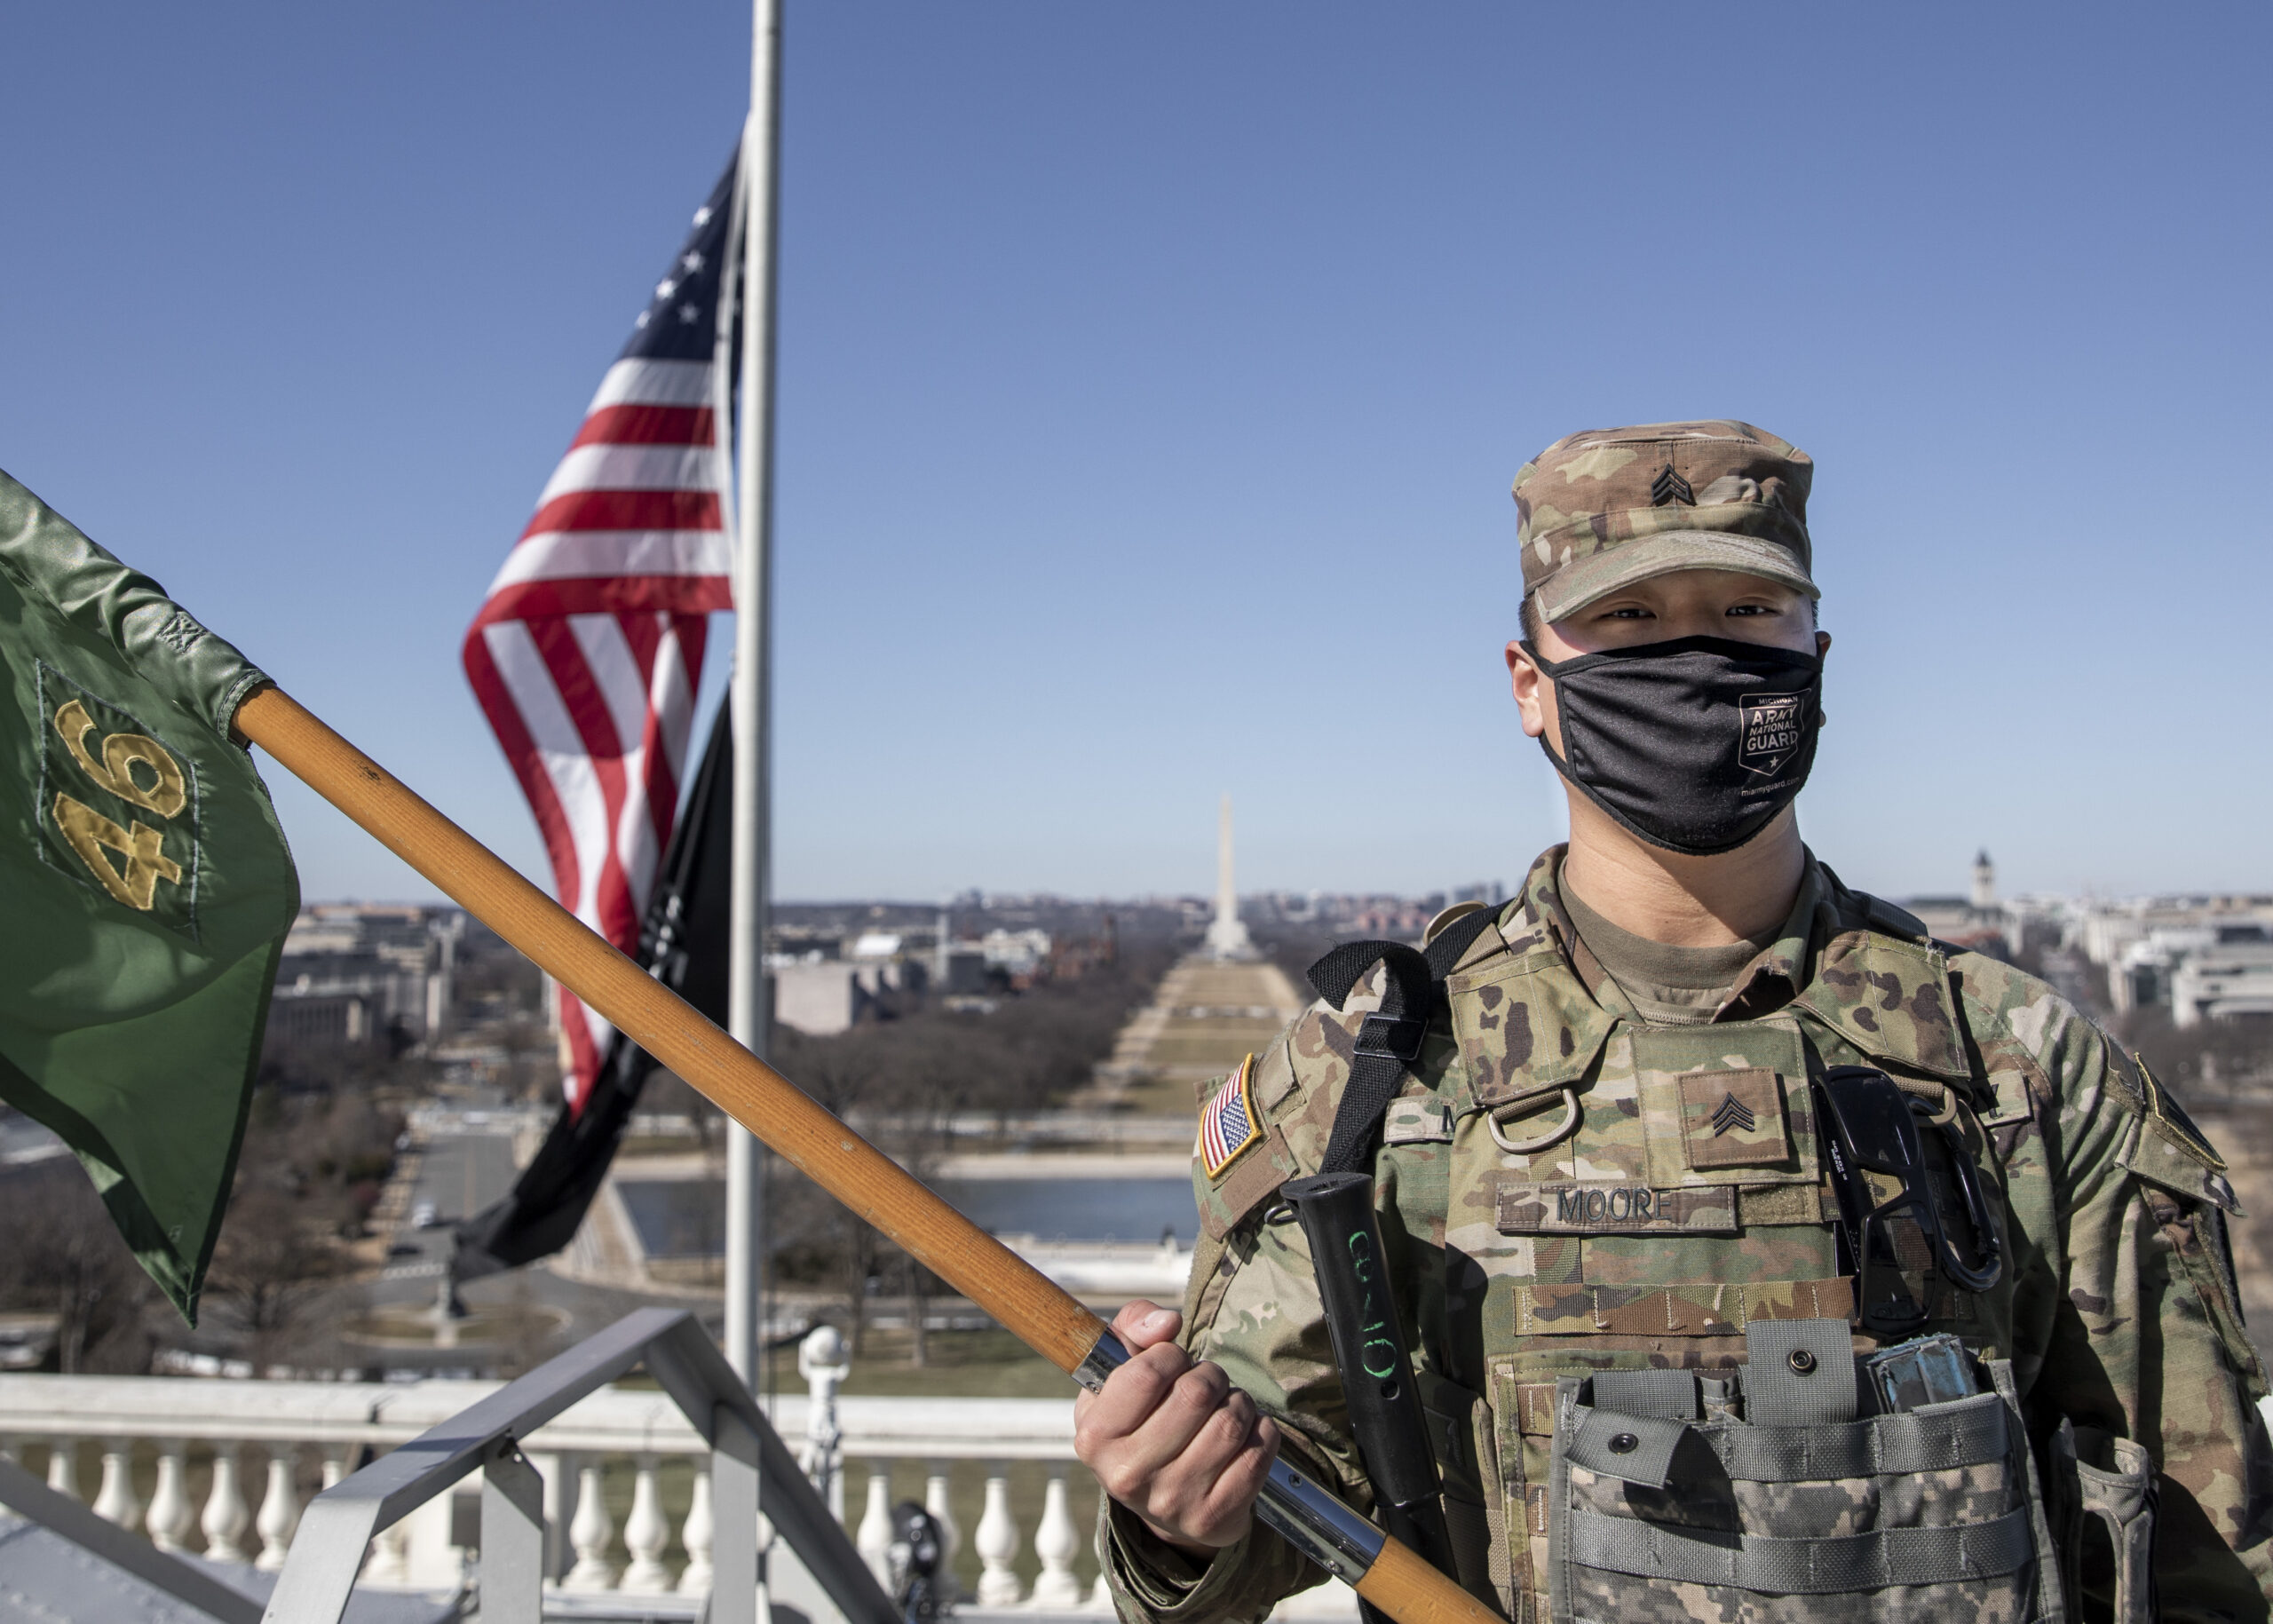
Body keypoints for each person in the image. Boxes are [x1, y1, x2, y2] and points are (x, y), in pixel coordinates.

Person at [1074, 421, 2272, 1624]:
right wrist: (1180, 1504)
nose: (1694, 656)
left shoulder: (2017, 1062)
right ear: (1529, 682)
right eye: (1633, 620)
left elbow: (2204, 1548)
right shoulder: (1369, 1081)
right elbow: (1277, 1507)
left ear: (1817, 656)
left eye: (1747, 611)